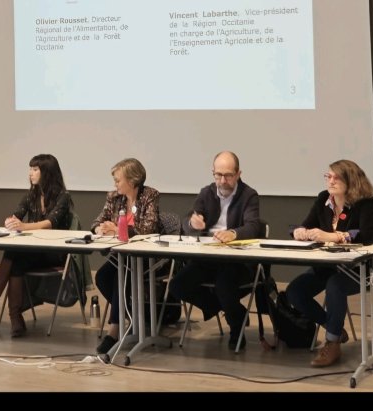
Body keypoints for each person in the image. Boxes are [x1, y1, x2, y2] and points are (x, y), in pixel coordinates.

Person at [286, 159, 373, 367]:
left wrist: (335, 236)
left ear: (351, 180)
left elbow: (368, 236)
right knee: (295, 291)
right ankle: (335, 330)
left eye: (335, 177)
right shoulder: (324, 199)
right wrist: (299, 231)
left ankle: (331, 343)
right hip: (330, 266)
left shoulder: (364, 202)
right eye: (327, 176)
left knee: (335, 286)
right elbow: (307, 224)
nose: (330, 181)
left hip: (364, 269)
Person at [0, 154, 74, 337]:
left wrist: (24, 226)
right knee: (15, 258)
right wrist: (11, 221)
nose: (30, 173)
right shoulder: (31, 195)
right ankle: (13, 316)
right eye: (30, 169)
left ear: (47, 173)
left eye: (35, 169)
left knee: (13, 255)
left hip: (54, 252)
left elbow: (50, 223)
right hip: (32, 252)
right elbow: (17, 214)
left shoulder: (63, 197)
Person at [167, 151, 261, 350]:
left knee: (223, 286)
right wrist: (193, 224)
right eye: (218, 175)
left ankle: (236, 326)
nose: (223, 180)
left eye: (228, 175)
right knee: (177, 286)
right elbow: (187, 220)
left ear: (238, 174)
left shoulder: (249, 195)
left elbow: (254, 226)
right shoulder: (206, 192)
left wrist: (234, 233)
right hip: (207, 257)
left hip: (236, 261)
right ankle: (232, 311)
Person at [92, 158, 160, 355]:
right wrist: (100, 228)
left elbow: (149, 227)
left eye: (118, 180)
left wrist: (118, 228)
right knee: (103, 277)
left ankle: (114, 331)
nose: (115, 184)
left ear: (132, 180)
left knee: (120, 276)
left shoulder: (150, 195)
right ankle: (132, 317)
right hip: (121, 256)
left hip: (147, 257)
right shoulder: (114, 197)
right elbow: (98, 220)